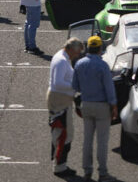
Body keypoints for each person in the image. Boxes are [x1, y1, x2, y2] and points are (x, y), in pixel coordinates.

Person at [71, 35, 118, 182]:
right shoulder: (103, 66)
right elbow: (109, 88)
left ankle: (87, 171)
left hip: (86, 105)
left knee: (87, 140)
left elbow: (75, 86)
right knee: (102, 142)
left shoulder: (79, 64)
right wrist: (114, 105)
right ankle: (102, 173)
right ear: (99, 49)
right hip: (102, 106)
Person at [48, 38, 85, 177]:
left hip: (61, 100)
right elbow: (58, 83)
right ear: (70, 49)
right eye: (76, 53)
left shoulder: (62, 57)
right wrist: (75, 86)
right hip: (59, 101)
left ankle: (60, 164)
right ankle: (59, 167)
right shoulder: (62, 61)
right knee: (64, 134)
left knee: (63, 133)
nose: (76, 56)